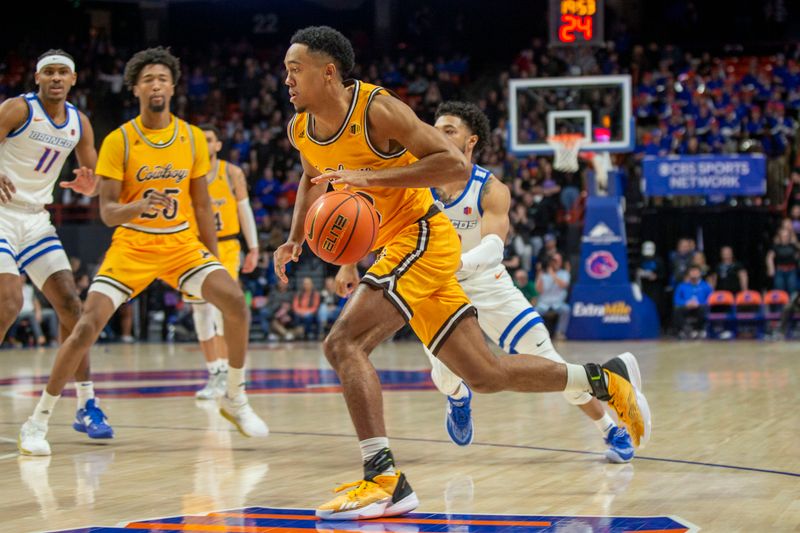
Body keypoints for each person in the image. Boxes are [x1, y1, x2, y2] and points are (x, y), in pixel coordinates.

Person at [275, 26, 650, 521]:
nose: (286, 80)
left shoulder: (377, 110)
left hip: (423, 235)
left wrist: (371, 177)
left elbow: (451, 166)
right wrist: (296, 236)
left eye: (294, 69)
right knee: (485, 373)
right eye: (285, 71)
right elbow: (310, 175)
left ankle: (384, 478)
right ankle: (604, 379)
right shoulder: (301, 127)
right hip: (399, 246)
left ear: (328, 72)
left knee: (343, 343)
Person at [18, 47, 267, 456]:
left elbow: (203, 204)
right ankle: (38, 420)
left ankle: (235, 397)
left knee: (235, 302)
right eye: (148, 78)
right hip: (132, 244)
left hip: (181, 244)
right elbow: (108, 212)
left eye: (162, 78)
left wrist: (210, 260)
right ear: (135, 88)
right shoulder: (120, 140)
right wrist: (138, 205)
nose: (156, 84)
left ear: (173, 86)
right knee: (84, 326)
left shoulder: (190, 137)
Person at [422, 101, 634, 463]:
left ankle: (610, 428)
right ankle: (458, 397)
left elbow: (492, 249)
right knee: (444, 378)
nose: (437, 135)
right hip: (440, 292)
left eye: (449, 130)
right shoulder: (417, 183)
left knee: (549, 362)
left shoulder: (491, 189)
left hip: (487, 282)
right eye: (435, 128)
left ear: (470, 141)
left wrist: (452, 265)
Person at [0, 49, 110, 452]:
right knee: (9, 302)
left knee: (71, 305)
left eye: (63, 71)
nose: (56, 78)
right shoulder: (16, 109)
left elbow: (94, 178)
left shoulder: (79, 123)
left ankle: (86, 404)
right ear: (37, 78)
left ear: (74, 79)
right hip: (1, 213)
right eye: (49, 72)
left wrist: (89, 186)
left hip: (36, 219)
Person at [190, 124, 260, 400]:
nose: (204, 144)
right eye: (200, 140)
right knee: (200, 313)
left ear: (218, 145)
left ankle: (231, 376)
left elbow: (244, 210)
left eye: (208, 139)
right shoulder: (188, 174)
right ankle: (215, 373)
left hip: (227, 245)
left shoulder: (231, 173)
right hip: (195, 247)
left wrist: (253, 247)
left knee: (221, 309)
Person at [672, 264, 713, 339]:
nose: (694, 273)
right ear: (689, 273)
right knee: (677, 309)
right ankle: (686, 329)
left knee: (704, 308)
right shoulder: (682, 286)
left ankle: (699, 330)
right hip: (686, 307)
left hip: (700, 307)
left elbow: (710, 299)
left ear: (700, 273)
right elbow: (676, 299)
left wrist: (698, 303)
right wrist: (686, 303)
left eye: (696, 271)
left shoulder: (706, 286)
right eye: (692, 271)